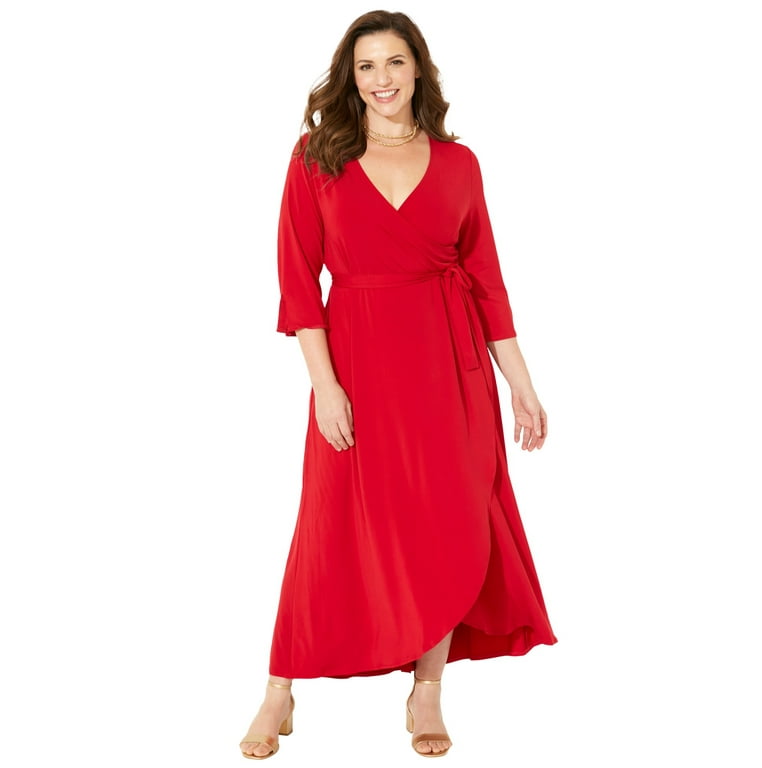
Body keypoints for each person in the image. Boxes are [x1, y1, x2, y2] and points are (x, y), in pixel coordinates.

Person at [240, 9, 557, 760]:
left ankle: (428, 689)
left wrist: (521, 385)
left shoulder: (459, 164)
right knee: (328, 523)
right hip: (355, 366)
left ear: (418, 69)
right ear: (350, 79)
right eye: (366, 66)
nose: (381, 79)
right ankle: (280, 686)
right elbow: (298, 283)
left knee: (443, 522)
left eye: (394, 62)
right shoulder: (318, 156)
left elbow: (487, 283)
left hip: (450, 372)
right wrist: (325, 387)